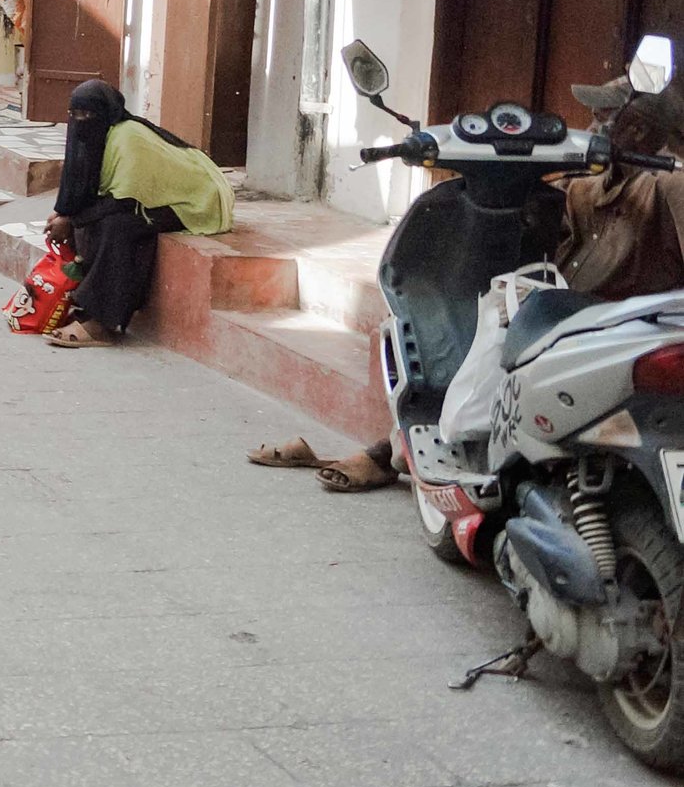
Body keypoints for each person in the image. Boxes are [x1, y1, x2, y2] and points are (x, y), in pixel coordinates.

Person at [256, 71, 684, 493]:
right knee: (497, 318)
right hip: (564, 319)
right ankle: (403, 449)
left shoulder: (668, 184)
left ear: (637, 128)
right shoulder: (589, 185)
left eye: (601, 117)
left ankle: (390, 454)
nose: (591, 126)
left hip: (619, 329)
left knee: (499, 337)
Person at [43, 80, 234, 349]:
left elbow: (123, 202)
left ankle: (103, 323)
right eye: (75, 115)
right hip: (152, 198)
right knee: (94, 221)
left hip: (197, 200)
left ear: (107, 113)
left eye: (89, 115)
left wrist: (72, 219)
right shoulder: (101, 137)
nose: (81, 121)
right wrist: (63, 213)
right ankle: (88, 306)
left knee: (117, 226)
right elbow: (84, 189)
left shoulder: (127, 137)